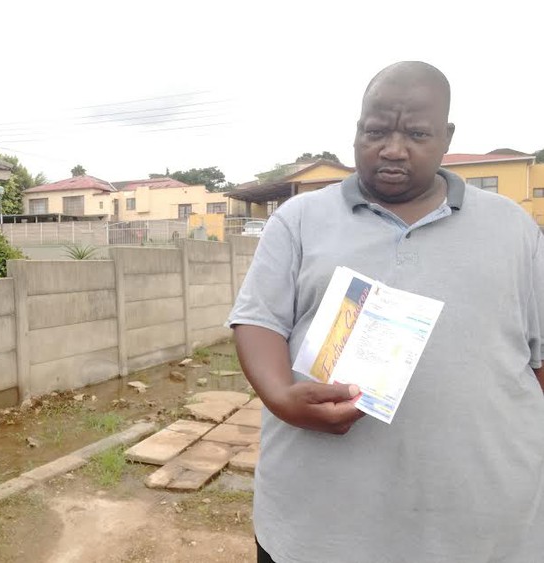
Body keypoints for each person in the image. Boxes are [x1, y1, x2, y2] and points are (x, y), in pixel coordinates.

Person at [228, 61, 544, 563]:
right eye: (376, 131)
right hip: (320, 527)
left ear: (447, 137)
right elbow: (258, 320)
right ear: (356, 132)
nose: (393, 148)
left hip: (484, 529)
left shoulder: (514, 229)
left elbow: (538, 358)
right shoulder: (299, 219)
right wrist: (280, 395)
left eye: (417, 133)